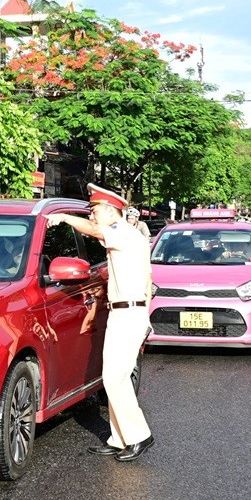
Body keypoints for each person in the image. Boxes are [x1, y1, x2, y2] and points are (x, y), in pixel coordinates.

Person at [45, 184, 154, 462]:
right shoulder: (126, 235)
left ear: (109, 210)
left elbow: (94, 231)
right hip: (124, 311)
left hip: (128, 313)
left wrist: (65, 217)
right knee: (112, 377)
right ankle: (120, 438)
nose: (92, 216)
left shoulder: (123, 233)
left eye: (94, 210)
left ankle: (139, 435)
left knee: (116, 377)